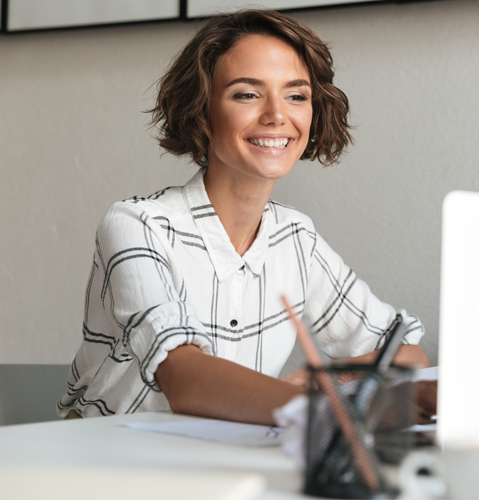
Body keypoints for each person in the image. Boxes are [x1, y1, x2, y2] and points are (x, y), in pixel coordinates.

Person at [57, 9, 434, 425]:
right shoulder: (137, 226)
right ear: (201, 109)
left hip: (227, 464)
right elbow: (185, 378)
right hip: (111, 465)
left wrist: (320, 384)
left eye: (296, 95)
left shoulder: (296, 238)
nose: (276, 115)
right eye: (246, 94)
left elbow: (407, 352)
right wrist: (331, 408)